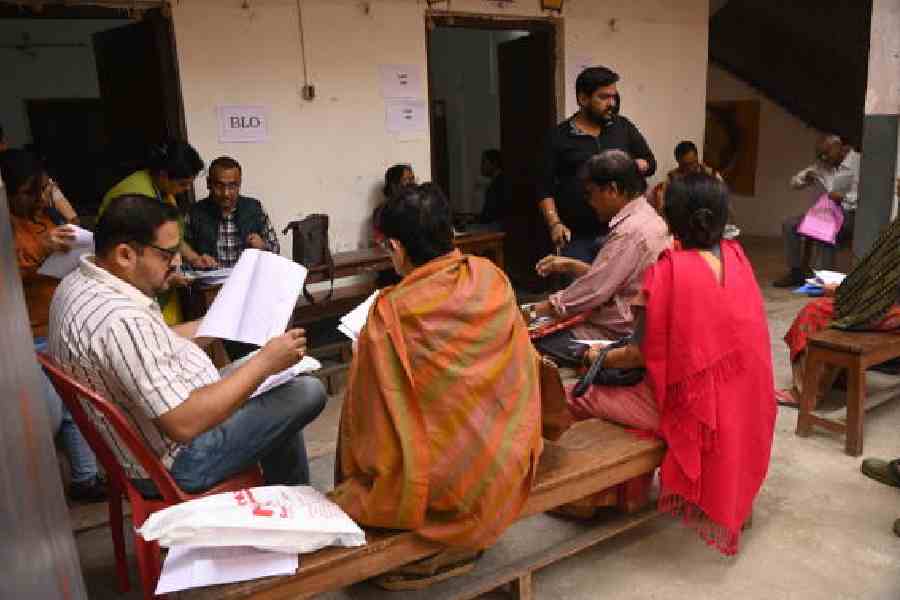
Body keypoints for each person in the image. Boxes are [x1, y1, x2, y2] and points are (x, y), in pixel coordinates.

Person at [332, 184, 543, 589]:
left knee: (366, 454)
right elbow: (523, 369)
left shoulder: (391, 311)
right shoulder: (492, 278)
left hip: (439, 485)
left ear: (397, 247)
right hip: (505, 459)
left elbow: (370, 416)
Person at [48, 195, 327, 493]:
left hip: (167, 419)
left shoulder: (81, 281)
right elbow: (184, 425)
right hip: (176, 460)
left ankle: (289, 500)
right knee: (304, 392)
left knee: (276, 393)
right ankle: (293, 501)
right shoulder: (120, 319)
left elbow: (153, 343)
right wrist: (265, 363)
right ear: (125, 255)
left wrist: (224, 322)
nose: (177, 263)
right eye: (166, 255)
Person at [571, 174, 776, 555]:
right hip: (746, 401)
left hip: (695, 413)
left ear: (672, 219)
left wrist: (592, 355)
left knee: (577, 396)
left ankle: (597, 500)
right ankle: (630, 493)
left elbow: (637, 354)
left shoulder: (669, 272)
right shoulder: (737, 258)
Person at [1, 149, 105, 501]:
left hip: (57, 327)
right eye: (30, 191)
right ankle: (37, 497)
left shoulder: (44, 218)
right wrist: (41, 250)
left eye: (42, 190)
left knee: (76, 408)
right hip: (26, 335)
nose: (37, 198)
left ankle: (85, 478)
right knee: (47, 415)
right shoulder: (7, 226)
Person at [527, 150, 670, 347]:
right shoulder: (647, 216)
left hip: (618, 333)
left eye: (591, 194)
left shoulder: (630, 231)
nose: (589, 202)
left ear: (612, 189)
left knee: (529, 343)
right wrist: (571, 264)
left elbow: (596, 290)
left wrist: (532, 311)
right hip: (628, 321)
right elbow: (614, 277)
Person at [780, 178, 900, 407]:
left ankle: (807, 393)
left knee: (814, 313)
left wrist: (844, 290)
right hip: (891, 304)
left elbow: (881, 286)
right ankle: (838, 379)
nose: (896, 181)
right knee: (838, 305)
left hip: (893, 310)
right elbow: (879, 277)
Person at [539, 66, 656, 263]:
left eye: (613, 96)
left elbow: (650, 162)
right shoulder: (558, 137)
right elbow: (543, 187)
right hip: (577, 238)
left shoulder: (623, 127)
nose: (611, 103)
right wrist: (554, 223)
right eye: (603, 97)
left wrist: (637, 165)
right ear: (583, 99)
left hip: (621, 234)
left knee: (619, 292)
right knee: (582, 291)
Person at [100, 140, 209, 324]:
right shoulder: (138, 196)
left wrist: (194, 258)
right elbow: (140, 254)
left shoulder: (163, 190)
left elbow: (171, 238)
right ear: (164, 175)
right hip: (132, 290)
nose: (186, 190)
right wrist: (169, 275)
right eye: (183, 184)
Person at [774, 135, 860, 287]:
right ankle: (796, 272)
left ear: (838, 147)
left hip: (850, 214)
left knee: (825, 228)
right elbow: (794, 183)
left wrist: (844, 198)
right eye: (821, 154)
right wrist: (805, 178)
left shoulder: (859, 162)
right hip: (825, 212)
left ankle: (826, 281)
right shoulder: (822, 165)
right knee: (790, 224)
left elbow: (868, 195)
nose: (824, 157)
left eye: (826, 153)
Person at [185, 156, 280, 268]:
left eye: (232, 186)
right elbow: (181, 254)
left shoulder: (254, 208)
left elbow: (276, 249)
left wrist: (263, 246)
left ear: (239, 184)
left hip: (247, 280)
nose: (226, 193)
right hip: (210, 283)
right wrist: (196, 260)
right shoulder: (195, 212)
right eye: (219, 185)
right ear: (209, 183)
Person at [478, 149, 507, 224]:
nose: (481, 166)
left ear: (494, 163)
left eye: (484, 162)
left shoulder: (497, 185)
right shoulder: (501, 181)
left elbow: (489, 215)